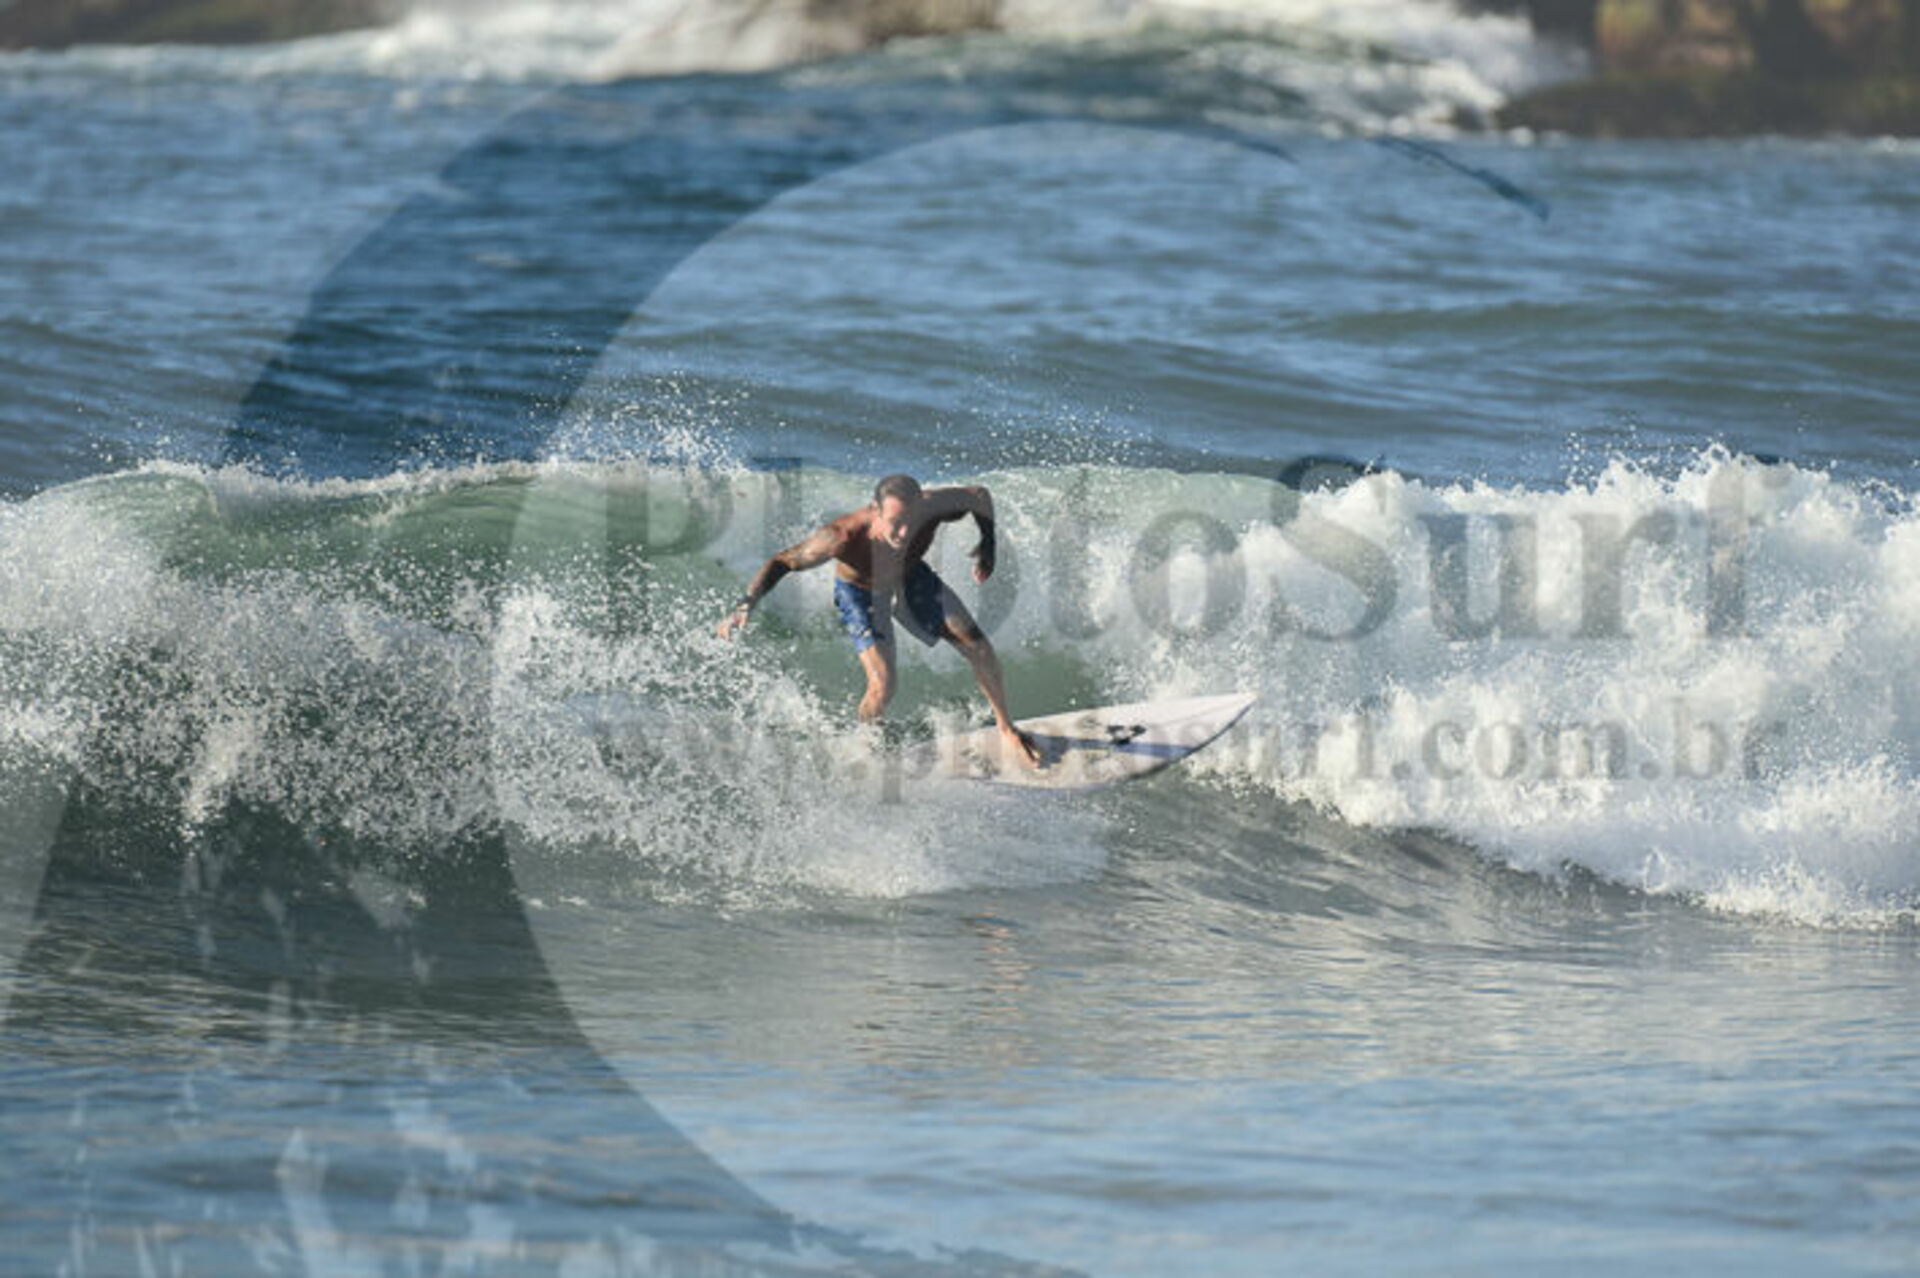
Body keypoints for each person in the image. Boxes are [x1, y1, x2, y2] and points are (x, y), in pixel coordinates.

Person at [717, 474, 1043, 769]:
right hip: (860, 592)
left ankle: (1006, 728)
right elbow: (782, 562)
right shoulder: (841, 536)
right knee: (883, 683)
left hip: (910, 575)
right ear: (875, 510)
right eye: (895, 523)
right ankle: (867, 745)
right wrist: (746, 604)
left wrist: (988, 544)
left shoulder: (933, 506)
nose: (904, 533)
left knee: (979, 647)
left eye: (911, 521)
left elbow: (979, 495)